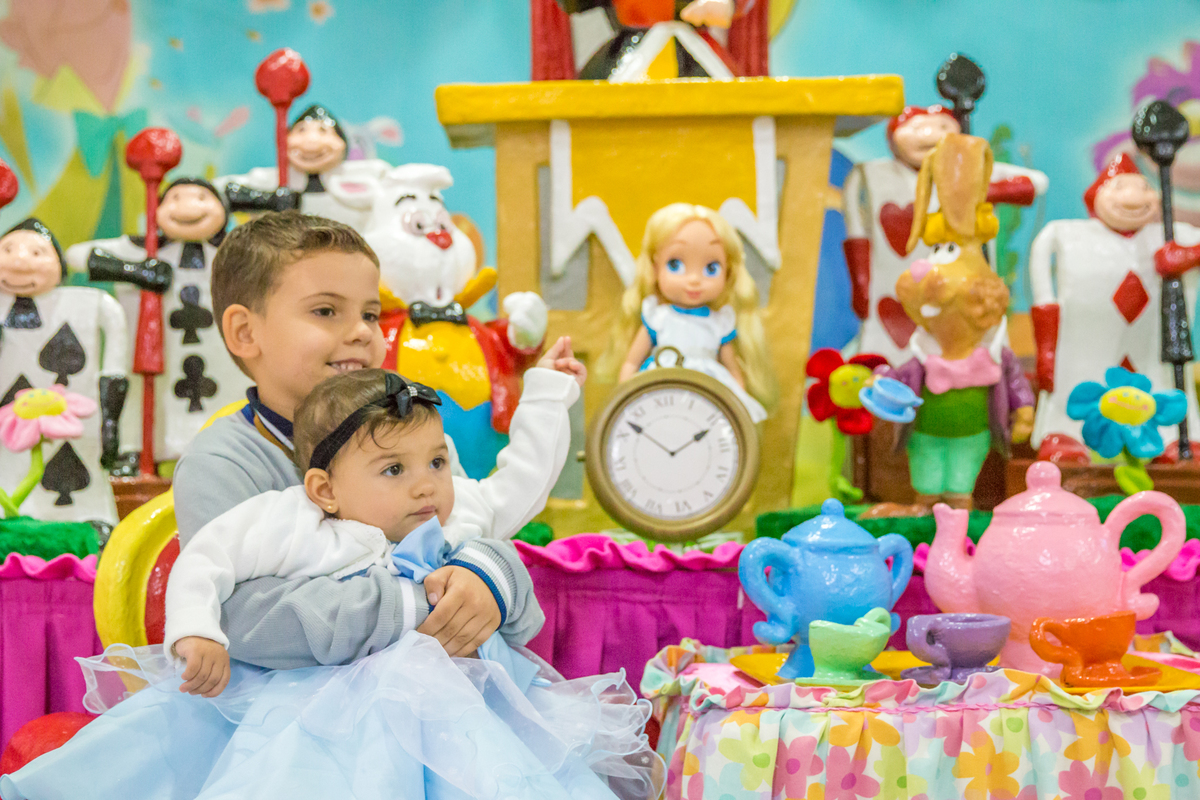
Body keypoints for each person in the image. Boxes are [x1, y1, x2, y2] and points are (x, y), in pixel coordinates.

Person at [65, 177, 250, 465]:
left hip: (222, 354)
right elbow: (74, 255)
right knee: (143, 406)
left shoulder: (238, 253)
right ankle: (135, 452)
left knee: (229, 401)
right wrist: (133, 270)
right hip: (155, 356)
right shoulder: (143, 251)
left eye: (201, 198)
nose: (187, 207)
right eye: (174, 199)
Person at [1030, 153, 1200, 462]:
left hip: (1154, 343)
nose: (1134, 197)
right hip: (1081, 344)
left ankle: (1175, 438)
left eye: (1144, 187)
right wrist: (1046, 347)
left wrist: (1187, 256)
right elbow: (1045, 298)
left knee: (1162, 382)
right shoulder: (1066, 235)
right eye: (1119, 187)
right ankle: (1065, 433)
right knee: (1078, 379)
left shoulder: (1174, 235)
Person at [605, 202, 776, 422]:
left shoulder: (719, 323)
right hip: (663, 381)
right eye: (675, 264)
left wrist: (737, 401)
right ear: (655, 267)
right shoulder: (659, 317)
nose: (694, 280)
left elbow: (732, 369)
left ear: (728, 272)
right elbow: (631, 362)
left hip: (708, 389)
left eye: (711, 268)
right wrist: (624, 395)